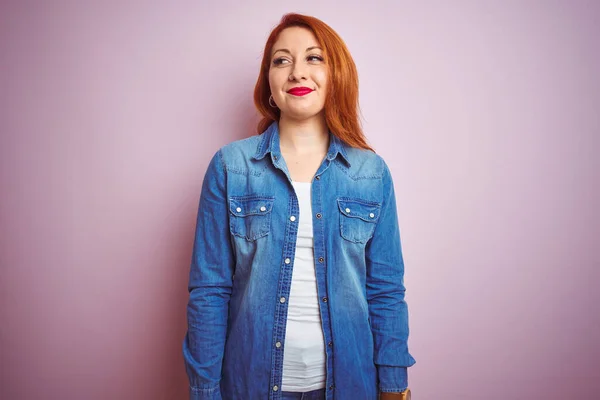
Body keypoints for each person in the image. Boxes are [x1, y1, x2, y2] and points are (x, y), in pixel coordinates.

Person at [183, 12, 416, 400]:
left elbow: (386, 291)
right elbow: (209, 291)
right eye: (281, 60)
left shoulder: (371, 173)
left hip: (349, 386)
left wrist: (395, 388)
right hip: (250, 386)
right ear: (269, 85)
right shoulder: (230, 167)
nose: (296, 72)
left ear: (335, 75)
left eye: (313, 57)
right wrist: (204, 392)